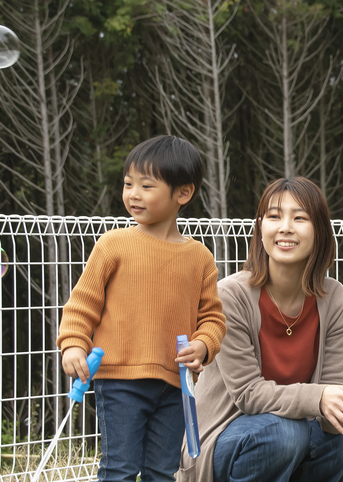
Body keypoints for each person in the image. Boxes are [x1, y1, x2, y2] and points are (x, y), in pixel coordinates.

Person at [178, 177, 343, 482]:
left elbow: (328, 392)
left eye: (299, 218)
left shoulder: (335, 299)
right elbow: (248, 394)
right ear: (260, 227)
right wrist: (320, 398)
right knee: (285, 434)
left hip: (289, 433)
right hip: (225, 437)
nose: (285, 227)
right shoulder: (231, 295)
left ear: (319, 230)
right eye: (274, 216)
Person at [57, 135, 227, 482]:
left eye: (146, 185)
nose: (133, 193)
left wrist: (204, 345)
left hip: (175, 384)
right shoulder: (112, 245)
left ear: (183, 193)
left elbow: (212, 318)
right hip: (120, 379)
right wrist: (73, 343)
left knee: (162, 472)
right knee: (120, 469)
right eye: (128, 184)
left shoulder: (200, 258)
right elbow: (82, 303)